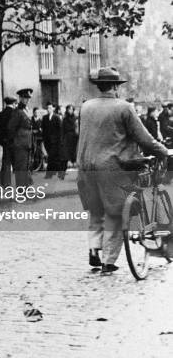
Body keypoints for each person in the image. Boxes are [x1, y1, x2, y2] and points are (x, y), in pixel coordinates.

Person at [77, 67, 168, 275]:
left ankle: (94, 249)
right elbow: (144, 138)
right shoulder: (124, 108)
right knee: (116, 212)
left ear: (99, 86)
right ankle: (108, 260)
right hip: (112, 168)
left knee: (95, 210)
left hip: (85, 166)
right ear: (116, 87)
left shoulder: (86, 107)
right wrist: (164, 152)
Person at [7, 88, 34, 188]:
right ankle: (21, 191)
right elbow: (11, 128)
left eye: (28, 98)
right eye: (25, 98)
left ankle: (25, 189)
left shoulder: (25, 110)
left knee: (26, 168)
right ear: (20, 98)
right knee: (20, 168)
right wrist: (15, 141)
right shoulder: (17, 112)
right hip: (20, 145)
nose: (27, 100)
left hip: (27, 144)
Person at [0, 96, 17, 187]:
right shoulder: (15, 113)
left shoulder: (0, 114)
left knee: (6, 161)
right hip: (14, 141)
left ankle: (5, 182)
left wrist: (0, 141)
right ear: (13, 104)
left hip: (5, 142)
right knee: (17, 161)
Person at [41, 102, 63, 179]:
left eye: (50, 108)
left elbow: (60, 130)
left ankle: (49, 174)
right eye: (47, 108)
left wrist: (60, 141)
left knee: (51, 157)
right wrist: (44, 139)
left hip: (55, 141)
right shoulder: (44, 118)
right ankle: (59, 173)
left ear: (53, 108)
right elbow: (43, 129)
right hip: (47, 141)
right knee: (54, 158)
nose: (48, 109)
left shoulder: (56, 117)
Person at [61, 104, 79, 178]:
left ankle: (79, 175)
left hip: (74, 138)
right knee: (65, 156)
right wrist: (62, 139)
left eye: (71, 109)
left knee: (75, 155)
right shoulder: (65, 119)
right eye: (69, 109)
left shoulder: (75, 118)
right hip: (67, 138)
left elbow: (77, 128)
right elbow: (62, 130)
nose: (70, 111)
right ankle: (62, 173)